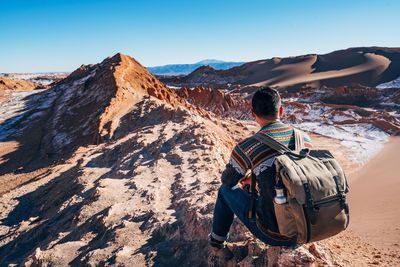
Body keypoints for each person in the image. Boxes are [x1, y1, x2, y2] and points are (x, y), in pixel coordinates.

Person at [209, 86, 312, 249]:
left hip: (275, 233)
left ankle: (216, 241)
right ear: (281, 111)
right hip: (308, 227)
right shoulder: (304, 138)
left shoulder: (247, 147)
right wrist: (257, 177)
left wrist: (251, 171)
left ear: (252, 113)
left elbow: (228, 181)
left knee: (224, 191)